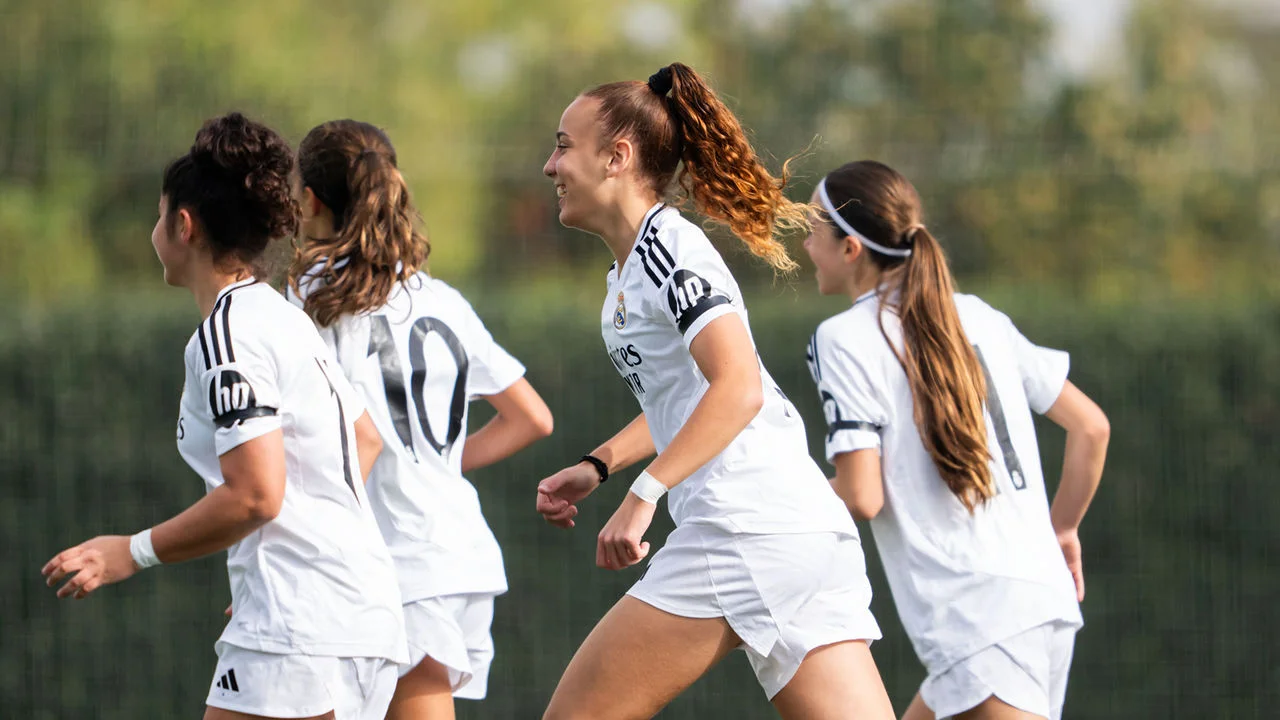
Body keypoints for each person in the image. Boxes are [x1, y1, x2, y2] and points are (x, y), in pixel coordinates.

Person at [534, 63, 896, 720]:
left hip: (744, 530)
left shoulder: (668, 250)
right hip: (801, 532)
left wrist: (645, 495)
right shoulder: (635, 265)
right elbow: (693, 397)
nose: (549, 166)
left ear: (617, 156)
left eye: (563, 145)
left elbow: (740, 389)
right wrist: (600, 466)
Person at [42, 112, 407, 719]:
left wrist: (128, 552)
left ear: (183, 226)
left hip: (303, 625)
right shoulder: (283, 316)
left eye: (158, 215)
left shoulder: (227, 332)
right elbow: (362, 439)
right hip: (355, 615)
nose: (153, 230)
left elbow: (256, 495)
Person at [802, 160, 1110, 720]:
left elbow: (861, 495)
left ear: (851, 249)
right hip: (1043, 604)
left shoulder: (842, 338)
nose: (804, 244)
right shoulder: (980, 317)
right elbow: (1092, 428)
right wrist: (1060, 529)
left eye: (813, 227)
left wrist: (769, 500)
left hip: (979, 625)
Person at [287, 119, 554, 720]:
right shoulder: (441, 299)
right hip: (455, 549)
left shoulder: (314, 296)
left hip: (396, 560)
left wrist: (289, 557)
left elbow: (338, 445)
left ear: (309, 199)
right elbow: (531, 418)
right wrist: (437, 464)